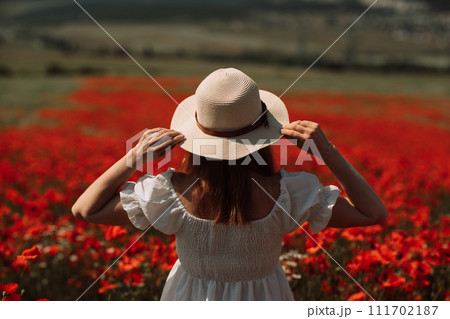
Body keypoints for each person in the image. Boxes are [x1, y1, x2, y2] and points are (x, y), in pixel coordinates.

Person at [72, 68, 388, 301]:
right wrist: (328, 152)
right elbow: (373, 213)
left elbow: (84, 210)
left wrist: (134, 157)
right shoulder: (288, 193)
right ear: (262, 134)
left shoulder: (168, 193)